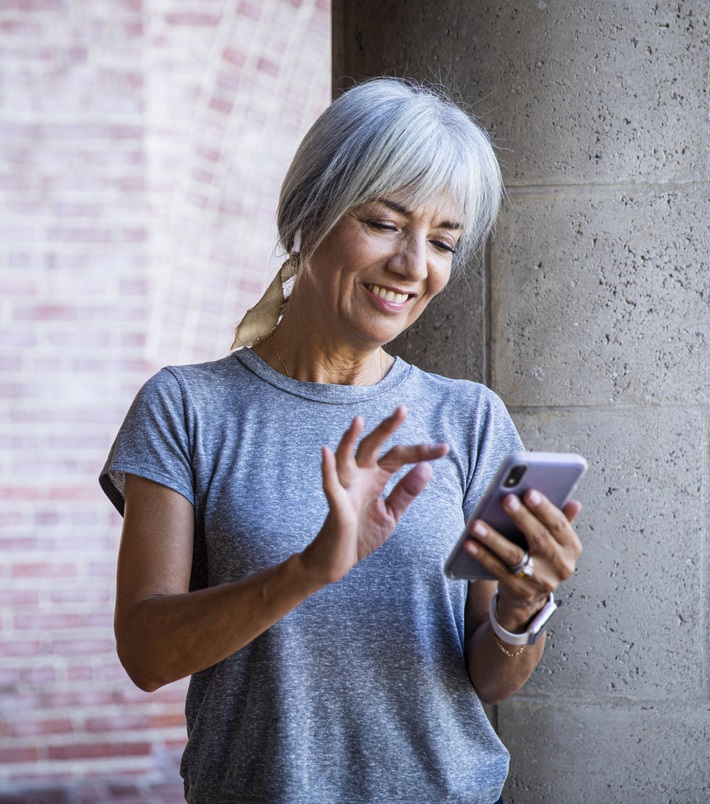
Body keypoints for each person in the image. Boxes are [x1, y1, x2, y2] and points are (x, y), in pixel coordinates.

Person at [100, 77, 582, 804]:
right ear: (310, 216)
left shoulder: (470, 418)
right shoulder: (188, 408)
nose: (415, 265)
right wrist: (309, 569)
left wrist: (521, 613)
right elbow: (145, 652)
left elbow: (489, 678)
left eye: (443, 241)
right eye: (385, 223)